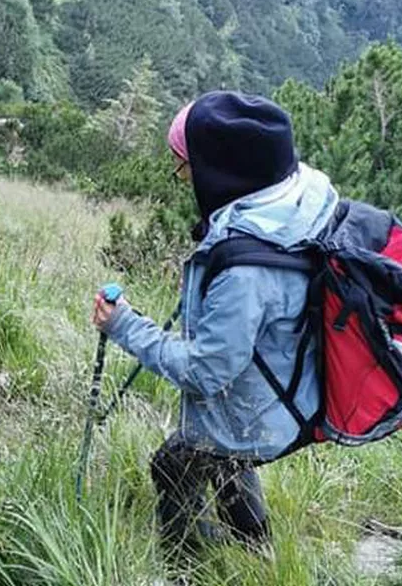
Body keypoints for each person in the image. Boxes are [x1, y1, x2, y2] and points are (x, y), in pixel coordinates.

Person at [91, 91, 339, 563]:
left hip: (264, 406)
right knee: (224, 462)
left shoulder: (246, 269)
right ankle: (257, 551)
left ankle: (188, 563)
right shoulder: (286, 203)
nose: (184, 179)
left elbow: (207, 371)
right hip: (279, 392)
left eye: (186, 167)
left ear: (221, 171)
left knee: (174, 463)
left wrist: (124, 325)